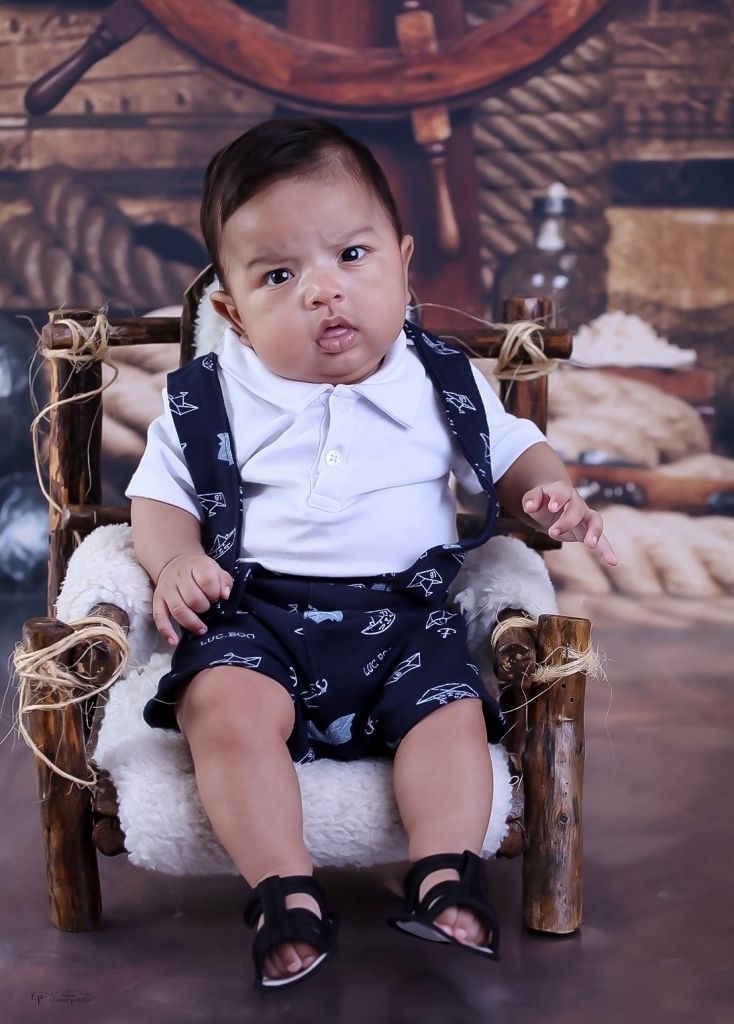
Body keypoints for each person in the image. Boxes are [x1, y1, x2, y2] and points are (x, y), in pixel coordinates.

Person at [127, 118, 617, 991]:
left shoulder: (442, 380)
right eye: (279, 276)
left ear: (402, 261)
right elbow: (159, 498)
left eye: (352, 256)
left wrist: (547, 491)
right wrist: (173, 561)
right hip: (257, 618)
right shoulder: (211, 395)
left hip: (405, 620)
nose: (324, 291)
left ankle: (445, 872)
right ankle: (284, 890)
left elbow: (512, 452)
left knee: (451, 715)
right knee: (221, 711)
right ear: (232, 312)